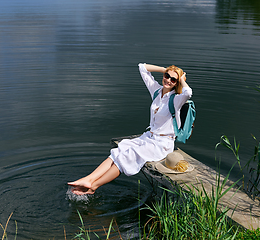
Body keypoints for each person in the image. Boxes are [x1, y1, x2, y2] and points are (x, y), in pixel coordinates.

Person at [67, 63, 192, 195]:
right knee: (120, 150)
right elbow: (142, 67)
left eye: (173, 79)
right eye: (167, 76)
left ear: (177, 83)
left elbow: (188, 92)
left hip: (162, 144)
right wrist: (165, 69)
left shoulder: (176, 100)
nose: (168, 80)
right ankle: (89, 179)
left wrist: (182, 80)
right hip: (149, 137)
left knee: (129, 155)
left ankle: (94, 187)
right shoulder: (156, 91)